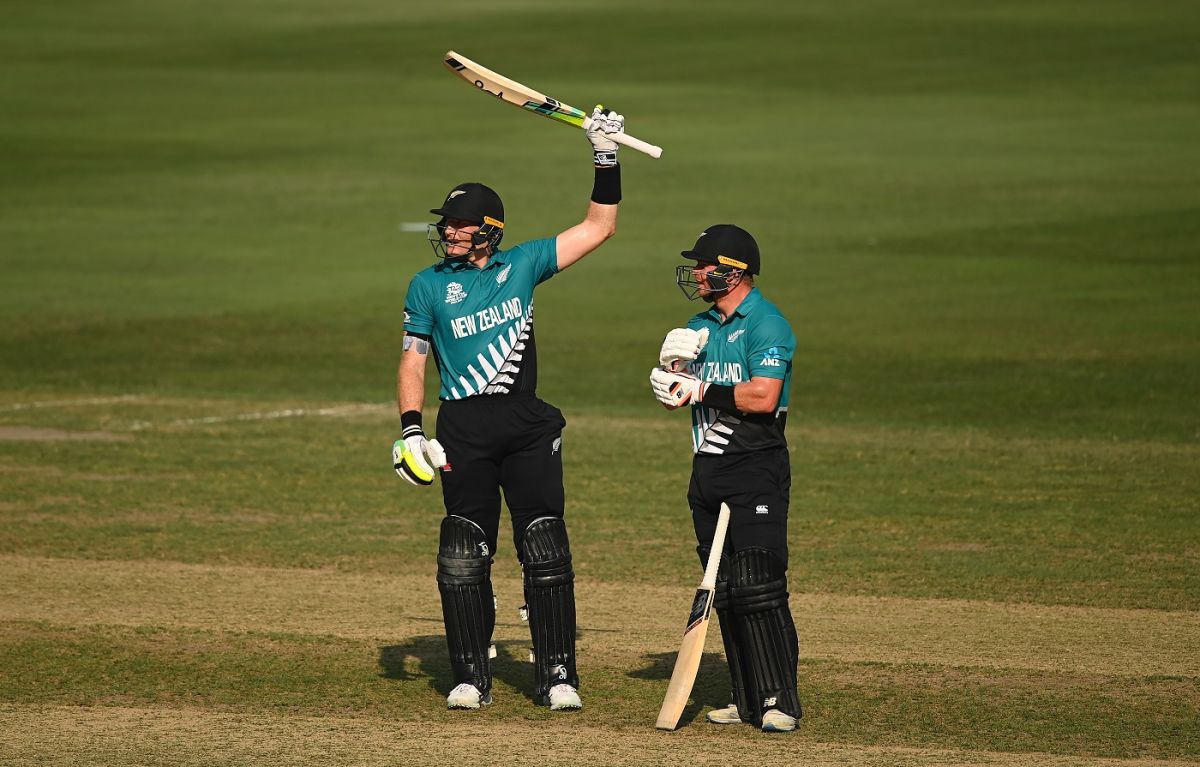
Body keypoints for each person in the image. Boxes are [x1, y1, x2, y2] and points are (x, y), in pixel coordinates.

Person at [392, 107, 627, 712]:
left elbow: (598, 228)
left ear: (489, 231)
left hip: (524, 422)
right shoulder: (425, 285)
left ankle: (557, 676)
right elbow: (414, 361)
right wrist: (410, 430)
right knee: (462, 552)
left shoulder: (522, 264)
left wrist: (605, 156)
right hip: (462, 427)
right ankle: (470, 674)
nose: (449, 232)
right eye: (447, 224)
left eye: (462, 226)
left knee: (544, 545)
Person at [648, 224, 802, 733]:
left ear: (732, 271)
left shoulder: (768, 324)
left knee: (760, 584)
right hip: (707, 472)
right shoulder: (700, 324)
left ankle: (779, 700)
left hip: (756, 469)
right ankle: (745, 697)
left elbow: (762, 397)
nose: (695, 273)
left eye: (703, 265)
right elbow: (686, 393)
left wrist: (698, 389)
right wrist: (670, 375)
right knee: (728, 590)